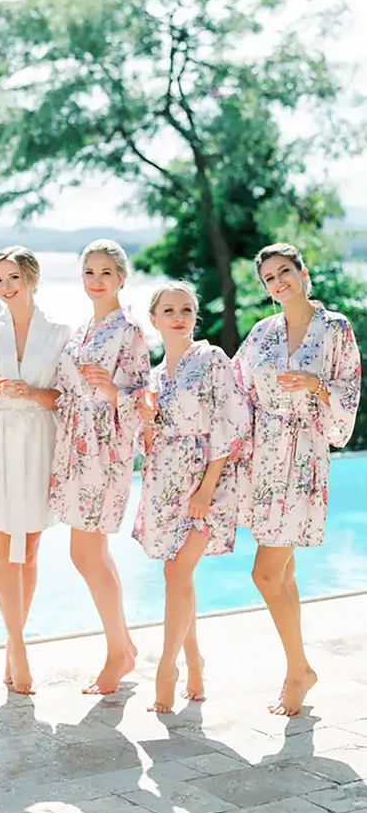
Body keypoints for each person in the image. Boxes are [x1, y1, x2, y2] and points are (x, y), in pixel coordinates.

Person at [233, 242, 361, 716]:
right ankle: (300, 668)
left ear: (303, 272)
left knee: (264, 572)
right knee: (281, 571)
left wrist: (317, 386)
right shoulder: (263, 332)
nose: (278, 282)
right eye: (269, 278)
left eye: (284, 271)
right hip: (262, 456)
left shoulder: (335, 329)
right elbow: (234, 384)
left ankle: (298, 670)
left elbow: (349, 390)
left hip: (303, 455)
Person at [134, 282, 249, 713]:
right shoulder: (157, 376)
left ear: (195, 316)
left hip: (206, 482)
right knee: (175, 574)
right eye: (169, 310)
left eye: (186, 309)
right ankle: (195, 660)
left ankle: (167, 668)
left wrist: (206, 488)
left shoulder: (212, 359)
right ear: (155, 319)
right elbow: (151, 442)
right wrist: (146, 420)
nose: (179, 316)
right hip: (165, 482)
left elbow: (230, 421)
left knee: (178, 573)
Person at [0, 247, 71, 694]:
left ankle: (13, 645)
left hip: (39, 442)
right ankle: (18, 647)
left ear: (32, 278)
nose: (6, 288)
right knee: (5, 547)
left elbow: (67, 396)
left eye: (13, 278)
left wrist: (31, 391)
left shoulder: (61, 333)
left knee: (30, 552)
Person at [50, 239, 150, 695]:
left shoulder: (129, 331)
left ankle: (118, 654)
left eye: (106, 272)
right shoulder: (82, 329)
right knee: (90, 553)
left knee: (86, 553)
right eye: (89, 272)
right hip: (74, 448)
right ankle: (123, 647)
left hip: (105, 450)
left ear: (122, 278)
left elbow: (143, 398)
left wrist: (112, 390)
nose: (97, 280)